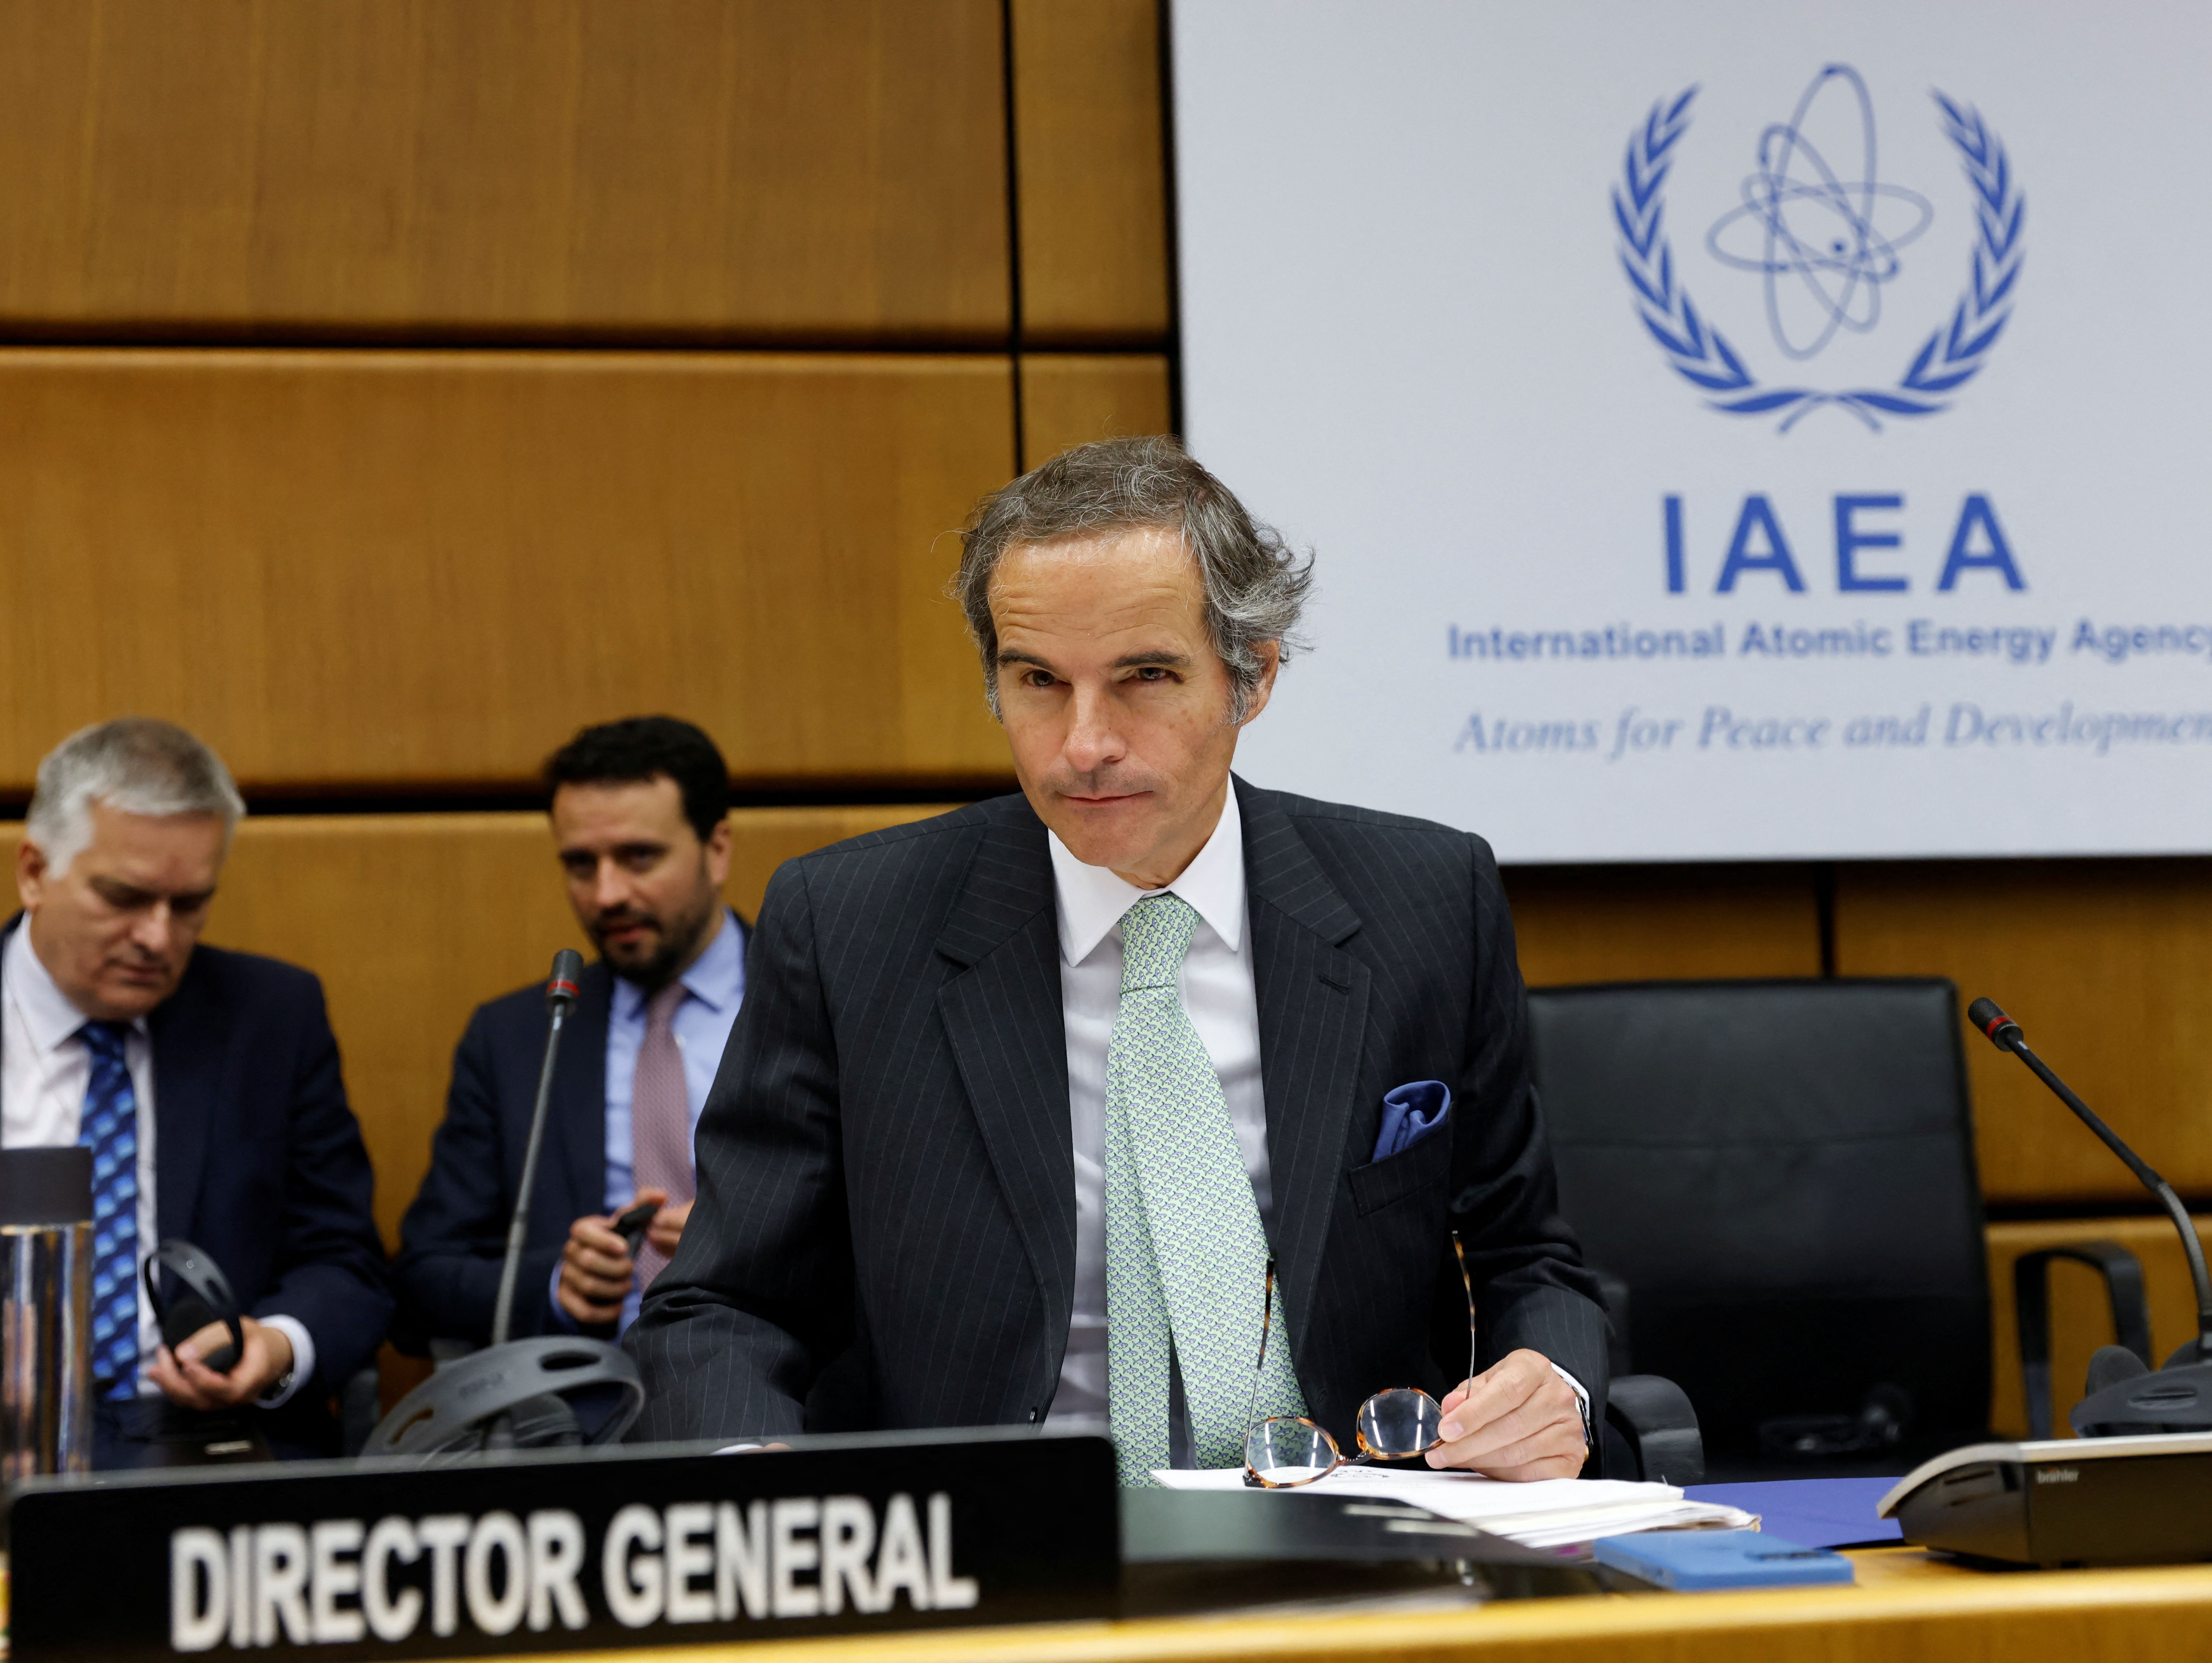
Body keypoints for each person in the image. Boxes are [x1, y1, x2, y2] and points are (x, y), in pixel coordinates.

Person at [629, 437, 1608, 1484]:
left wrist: (1553, 1383)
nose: (1083, 744)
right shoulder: (852, 924)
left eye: (1144, 677)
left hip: (1355, 1543)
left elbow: (1526, 1258)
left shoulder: (1424, 899)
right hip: (998, 1556)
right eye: (1040, 681)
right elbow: (726, 1303)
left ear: (1254, 676)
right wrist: (751, 1474)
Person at [0, 719, 391, 1465]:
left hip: (212, 1452)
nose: (157, 938)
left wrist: (273, 1345)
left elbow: (346, 1262)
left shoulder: (270, 1017)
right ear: (33, 872)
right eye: (124, 897)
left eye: (188, 906)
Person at [395, 716, 747, 1348]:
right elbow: (424, 1281)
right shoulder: (517, 1039)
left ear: (716, 850)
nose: (607, 893)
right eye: (581, 864)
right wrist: (555, 1284)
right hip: (580, 1410)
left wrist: (750, 1241)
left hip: (781, 1402)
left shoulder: (818, 1000)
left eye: (640, 857)